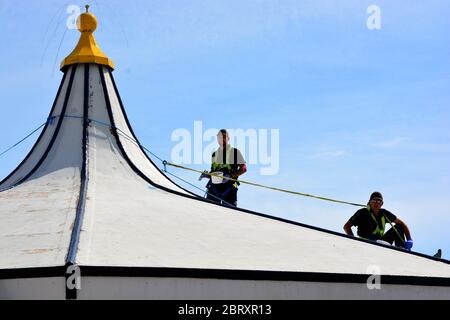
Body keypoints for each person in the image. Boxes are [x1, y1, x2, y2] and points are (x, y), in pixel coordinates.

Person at [343, 192, 413, 250]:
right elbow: (346, 227)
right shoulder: (362, 212)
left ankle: (401, 249)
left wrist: (409, 239)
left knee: (399, 226)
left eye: (379, 201)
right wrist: (353, 240)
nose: (376, 203)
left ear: (382, 204)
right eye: (374, 200)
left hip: (380, 242)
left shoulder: (384, 213)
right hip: (366, 242)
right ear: (369, 202)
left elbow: (402, 223)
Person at [203, 129, 247, 206]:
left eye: (224, 137)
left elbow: (243, 168)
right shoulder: (214, 154)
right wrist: (207, 175)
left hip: (229, 188)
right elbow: (213, 171)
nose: (221, 139)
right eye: (219, 137)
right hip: (214, 188)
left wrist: (232, 176)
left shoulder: (235, 152)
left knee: (229, 212)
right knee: (209, 210)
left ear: (228, 138)